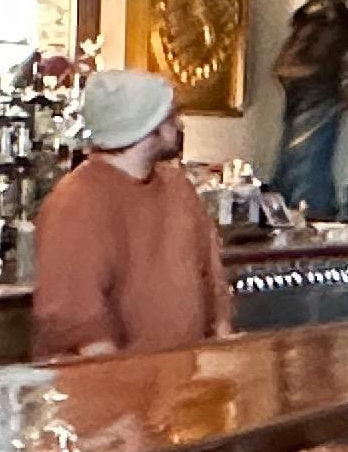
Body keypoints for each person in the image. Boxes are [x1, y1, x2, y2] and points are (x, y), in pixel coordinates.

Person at [28, 67, 235, 359]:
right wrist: (124, 383)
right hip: (111, 385)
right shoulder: (76, 202)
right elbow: (79, 325)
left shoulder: (178, 187)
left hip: (183, 380)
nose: (179, 124)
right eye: (170, 116)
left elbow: (213, 286)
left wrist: (221, 358)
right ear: (147, 126)